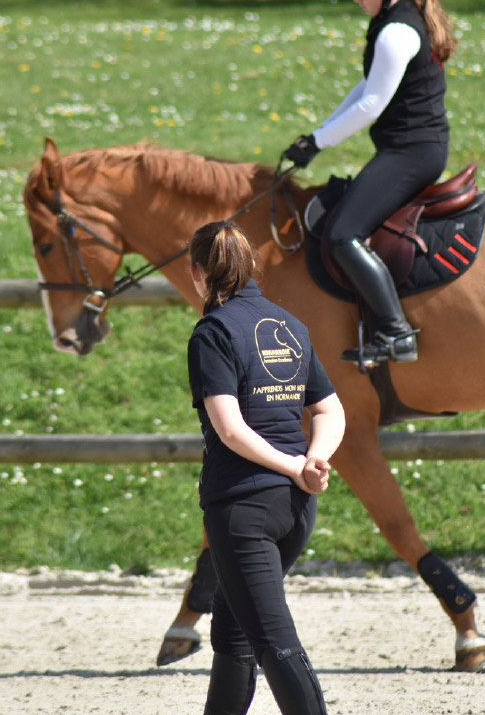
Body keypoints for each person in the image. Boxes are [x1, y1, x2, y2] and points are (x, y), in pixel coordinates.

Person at [186, 219, 346, 715]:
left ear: (197, 273)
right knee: (232, 634)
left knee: (274, 641)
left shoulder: (212, 332)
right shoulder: (289, 325)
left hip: (243, 510)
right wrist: (313, 458)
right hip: (293, 511)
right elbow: (330, 409)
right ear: (251, 265)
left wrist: (297, 464)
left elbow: (230, 430)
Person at [282, 0, 459, 365]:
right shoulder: (397, 19)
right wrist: (316, 134)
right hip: (409, 148)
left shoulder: (396, 32)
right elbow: (366, 87)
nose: (357, 1)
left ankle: (397, 333)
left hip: (412, 153)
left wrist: (319, 143)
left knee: (343, 234)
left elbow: (372, 105)